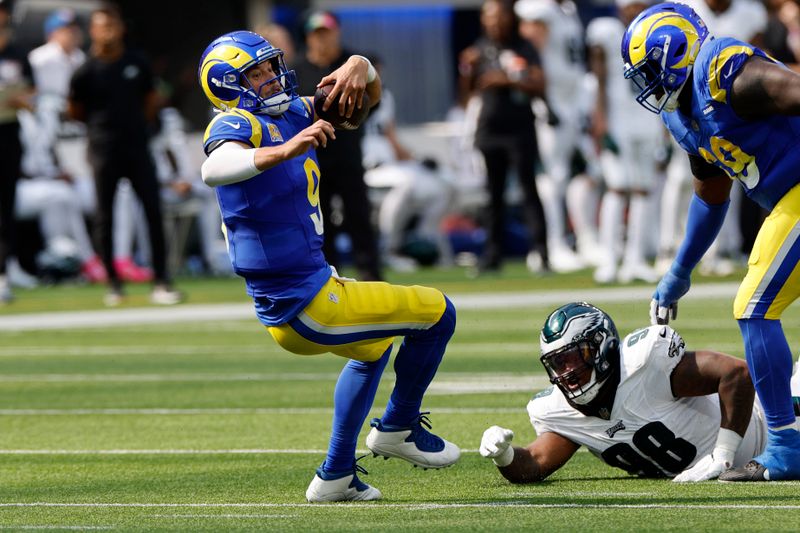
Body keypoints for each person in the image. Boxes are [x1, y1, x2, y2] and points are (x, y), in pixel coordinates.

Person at [198, 30, 460, 502]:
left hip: (313, 287)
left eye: (270, 66)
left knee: (374, 348)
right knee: (439, 312)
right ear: (227, 86)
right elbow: (214, 168)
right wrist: (285, 150)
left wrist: (362, 65)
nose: (271, 78)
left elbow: (363, 103)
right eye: (254, 74)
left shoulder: (293, 111)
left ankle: (336, 475)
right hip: (303, 303)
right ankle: (398, 428)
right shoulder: (237, 125)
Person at [623, 2, 800, 480]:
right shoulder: (681, 114)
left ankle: (785, 446)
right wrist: (679, 272)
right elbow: (710, 195)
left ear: (676, 53)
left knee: (755, 306)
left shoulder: (723, 72)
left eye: (648, 72)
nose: (646, 87)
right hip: (787, 196)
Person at [479, 302, 774, 482]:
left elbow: (737, 374)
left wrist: (722, 455)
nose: (566, 372)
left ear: (602, 346)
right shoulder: (560, 411)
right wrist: (504, 456)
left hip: (772, 431)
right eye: (557, 363)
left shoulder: (644, 362)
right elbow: (534, 463)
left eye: (573, 356)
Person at [68, 5, 181, 306]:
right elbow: (75, 111)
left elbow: (150, 101)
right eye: (100, 26)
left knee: (153, 210)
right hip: (103, 149)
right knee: (105, 216)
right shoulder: (85, 71)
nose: (106, 32)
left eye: (110, 25)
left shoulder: (137, 61)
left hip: (137, 146)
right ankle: (113, 284)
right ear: (92, 31)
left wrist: (136, 126)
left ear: (120, 28)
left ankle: (162, 280)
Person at [459, 0, 549, 275]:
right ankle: (492, 255)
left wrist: (507, 79)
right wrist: (466, 68)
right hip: (490, 130)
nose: (494, 22)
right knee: (493, 195)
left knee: (528, 190)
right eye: (489, 17)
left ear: (510, 18)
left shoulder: (523, 46)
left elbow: (540, 84)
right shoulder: (481, 49)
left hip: (520, 128)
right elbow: (467, 94)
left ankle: (542, 253)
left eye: (499, 17)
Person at [292, 11, 382, 281]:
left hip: (348, 153)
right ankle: (327, 275)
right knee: (320, 220)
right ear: (308, 36)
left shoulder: (353, 64)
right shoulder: (296, 69)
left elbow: (375, 103)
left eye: (327, 32)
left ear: (337, 32)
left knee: (359, 215)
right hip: (313, 156)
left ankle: (370, 274)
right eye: (316, 33)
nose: (322, 39)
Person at [587, 0, 663, 284]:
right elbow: (599, 77)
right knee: (617, 186)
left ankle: (635, 258)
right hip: (617, 117)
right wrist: (599, 117)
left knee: (644, 189)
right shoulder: (605, 32)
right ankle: (609, 257)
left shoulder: (656, 32)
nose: (634, 11)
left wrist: (665, 125)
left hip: (646, 119)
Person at [0, 0, 36, 302]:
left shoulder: (17, 52)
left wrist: (23, 101)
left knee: (6, 205)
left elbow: (31, 93)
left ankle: (6, 269)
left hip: (8, 132)